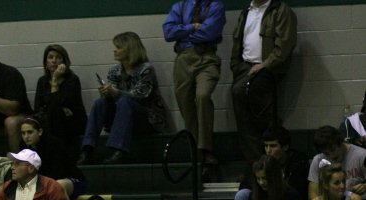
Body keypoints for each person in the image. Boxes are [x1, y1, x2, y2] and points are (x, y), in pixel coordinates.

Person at [79, 32, 170, 165]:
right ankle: (87, 149)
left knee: (125, 101)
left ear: (130, 49)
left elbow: (140, 96)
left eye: (119, 47)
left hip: (147, 119)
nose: (114, 50)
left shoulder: (146, 69)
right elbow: (111, 98)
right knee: (100, 103)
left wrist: (116, 93)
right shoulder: (114, 71)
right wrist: (106, 93)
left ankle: (120, 150)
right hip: (121, 118)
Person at [229, 0, 297, 162]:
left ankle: (269, 160)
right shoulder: (247, 11)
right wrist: (236, 66)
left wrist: (265, 65)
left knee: (264, 116)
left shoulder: (280, 10)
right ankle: (254, 162)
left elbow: (285, 45)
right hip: (245, 68)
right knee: (243, 115)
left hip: (268, 68)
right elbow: (237, 43)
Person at [163, 0, 226, 166]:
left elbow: (209, 33)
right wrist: (192, 27)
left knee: (203, 96)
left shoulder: (216, 5)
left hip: (207, 57)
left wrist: (182, 31)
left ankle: (206, 148)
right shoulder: (180, 6)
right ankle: (196, 151)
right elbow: (168, 32)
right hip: (183, 58)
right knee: (185, 104)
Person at [32, 44, 86, 153]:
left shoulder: (72, 80)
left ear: (64, 62)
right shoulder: (42, 81)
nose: (54, 61)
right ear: (46, 62)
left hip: (72, 121)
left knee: (56, 113)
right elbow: (38, 106)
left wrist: (55, 81)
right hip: (49, 120)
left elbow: (62, 104)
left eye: (58, 58)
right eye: (50, 57)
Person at [19, 116, 86, 199]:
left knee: (58, 186)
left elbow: (58, 173)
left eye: (30, 132)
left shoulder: (54, 144)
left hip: (71, 179)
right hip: (46, 183)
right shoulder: (24, 148)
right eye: (23, 133)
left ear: (40, 131)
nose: (26, 136)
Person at [307, 126, 366, 200]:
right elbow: (313, 193)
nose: (331, 156)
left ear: (341, 142)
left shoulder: (361, 155)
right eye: (326, 153)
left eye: (333, 150)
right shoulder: (318, 160)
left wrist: (364, 186)